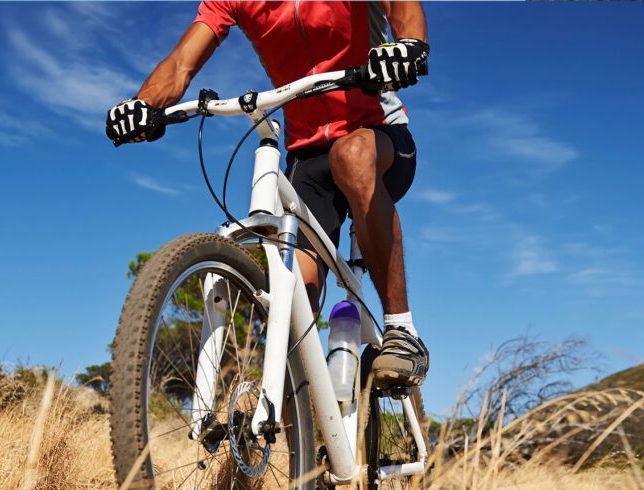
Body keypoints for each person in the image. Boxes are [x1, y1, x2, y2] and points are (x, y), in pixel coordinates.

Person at [106, 1, 430, 388]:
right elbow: (180, 66)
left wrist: (408, 45)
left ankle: (401, 331)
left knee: (351, 155)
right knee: (297, 289)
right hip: (308, 155)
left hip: (379, 136)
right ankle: (304, 421)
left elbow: (401, 7)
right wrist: (141, 106)